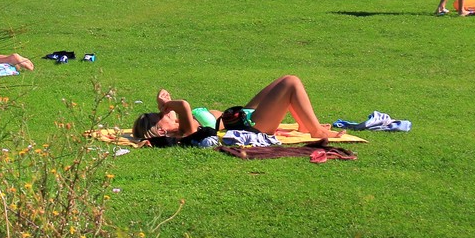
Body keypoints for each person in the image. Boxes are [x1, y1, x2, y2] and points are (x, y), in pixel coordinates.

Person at [131, 78, 340, 146]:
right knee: (291, 83)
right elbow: (184, 106)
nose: (164, 114)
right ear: (160, 131)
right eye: (160, 118)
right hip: (252, 126)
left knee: (281, 80)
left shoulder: (178, 125)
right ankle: (315, 132)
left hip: (239, 116)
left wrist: (163, 107)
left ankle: (305, 124)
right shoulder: (183, 131)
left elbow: (179, 107)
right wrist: (164, 105)